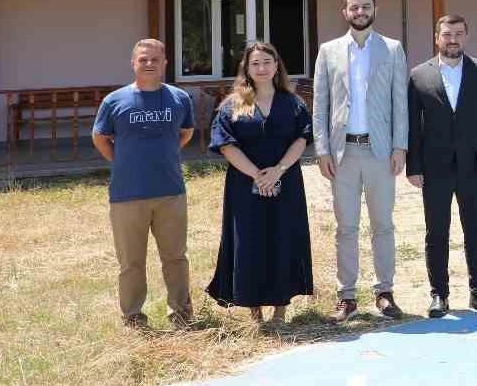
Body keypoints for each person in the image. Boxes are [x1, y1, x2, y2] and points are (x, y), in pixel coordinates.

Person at [312, 0, 409, 322]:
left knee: (383, 224)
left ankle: (385, 293)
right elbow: (320, 105)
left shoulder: (392, 49)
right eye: (354, 7)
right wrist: (322, 149)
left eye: (366, 6)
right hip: (343, 153)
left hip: (380, 151)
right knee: (346, 227)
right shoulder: (328, 51)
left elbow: (400, 102)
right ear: (345, 12)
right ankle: (347, 297)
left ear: (374, 10)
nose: (360, 12)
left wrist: (400, 146)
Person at [205, 41, 315, 322]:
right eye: (255, 63)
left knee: (283, 239)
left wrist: (278, 171)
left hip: (285, 182)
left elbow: (302, 138)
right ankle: (254, 309)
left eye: (267, 62)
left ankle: (280, 310)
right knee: (250, 242)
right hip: (244, 185)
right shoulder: (232, 104)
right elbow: (226, 145)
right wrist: (257, 176)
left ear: (277, 66)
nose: (262, 68)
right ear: (247, 68)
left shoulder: (293, 103)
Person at [90, 39, 196, 328]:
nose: (149, 64)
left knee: (175, 257)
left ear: (165, 63)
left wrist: (164, 154)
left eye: (155, 59)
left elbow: (186, 132)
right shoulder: (114, 101)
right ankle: (133, 315)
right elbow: (99, 137)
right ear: (133, 63)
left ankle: (181, 312)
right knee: (131, 262)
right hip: (127, 194)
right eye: (143, 59)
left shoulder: (179, 98)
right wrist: (123, 161)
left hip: (170, 192)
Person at [407, 14, 477, 318]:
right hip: (434, 167)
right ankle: (439, 294)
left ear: (466, 37)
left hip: (474, 165)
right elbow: (413, 126)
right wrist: (413, 166)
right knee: (436, 232)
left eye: (459, 34)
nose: (453, 40)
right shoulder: (418, 75)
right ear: (437, 38)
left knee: (474, 230)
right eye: (447, 34)